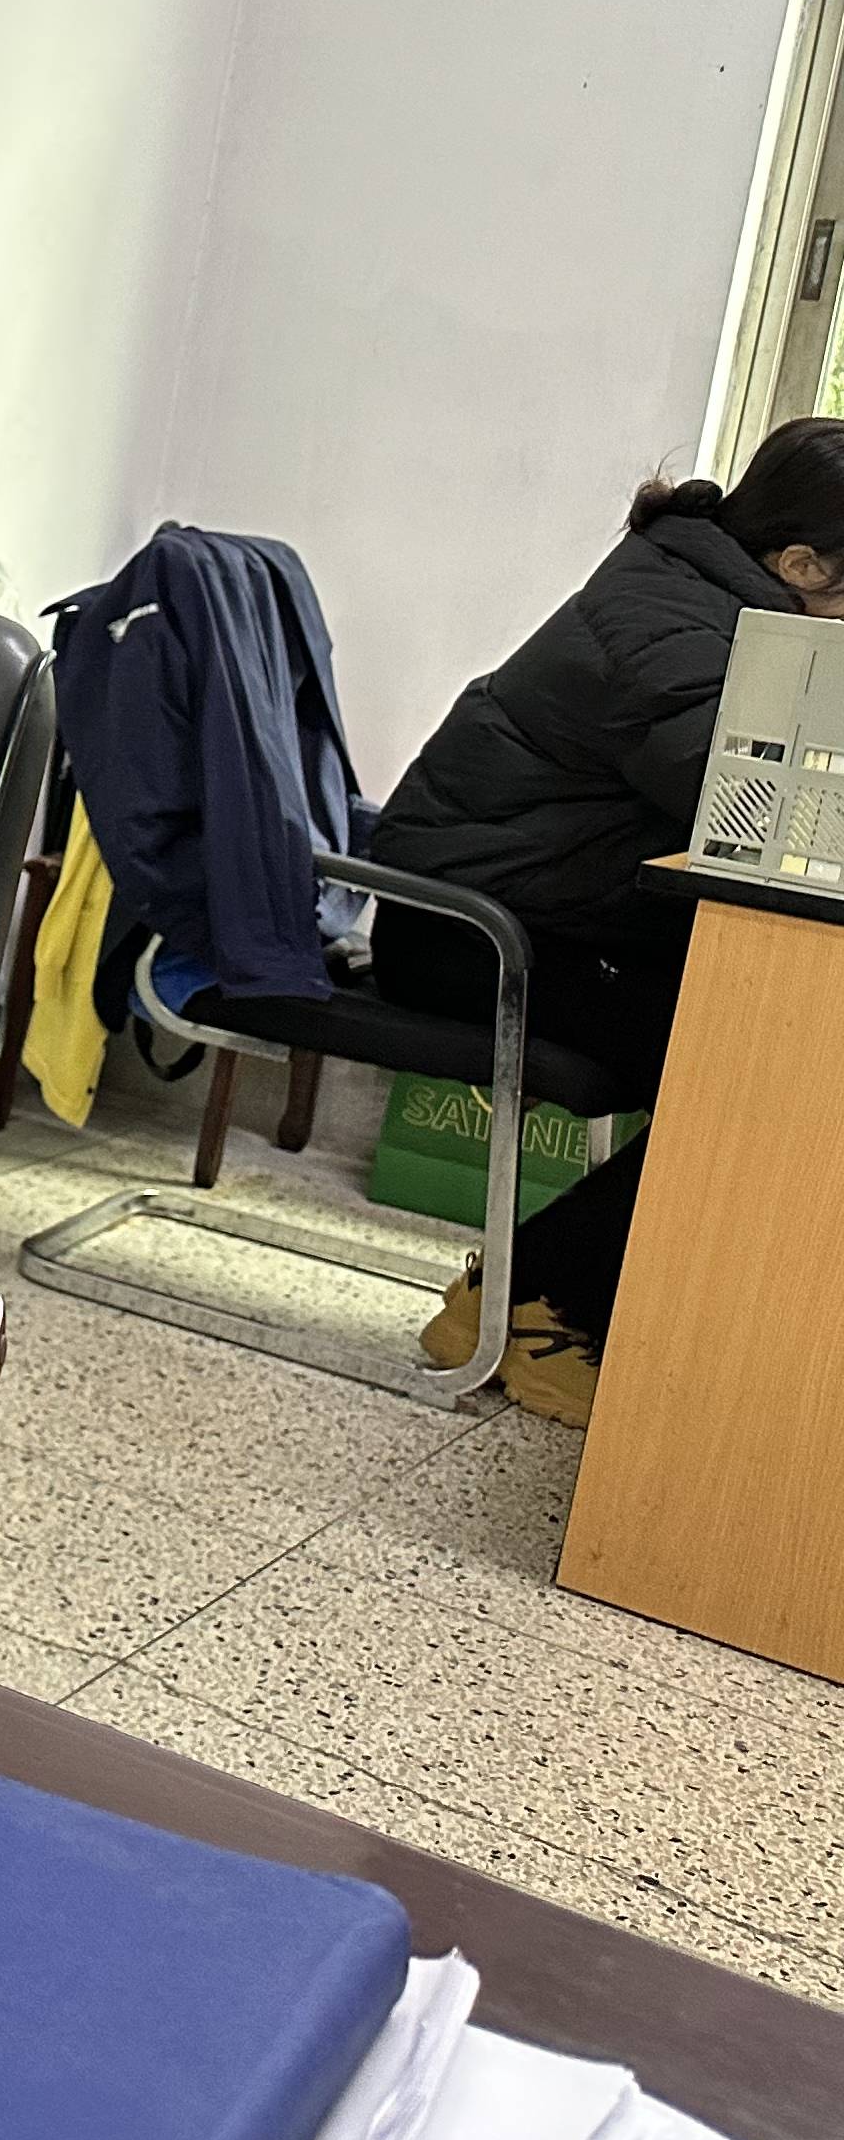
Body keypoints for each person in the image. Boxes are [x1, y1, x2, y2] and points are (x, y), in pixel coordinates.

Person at [369, 418, 844, 1419]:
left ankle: (550, 1295)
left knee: (791, 1053)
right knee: (768, 1075)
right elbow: (754, 808)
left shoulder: (715, 602)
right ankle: (537, 1304)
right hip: (469, 934)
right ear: (802, 564)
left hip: (555, 919)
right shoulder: (674, 630)